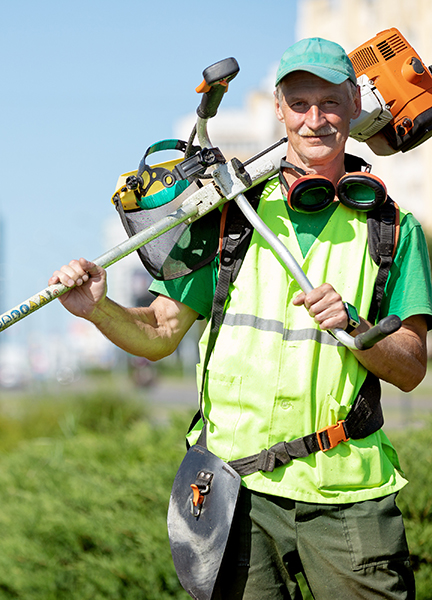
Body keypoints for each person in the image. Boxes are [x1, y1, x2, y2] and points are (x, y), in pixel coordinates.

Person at [49, 37, 432, 599]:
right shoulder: (230, 215)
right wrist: (97, 309)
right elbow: (159, 333)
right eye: (299, 104)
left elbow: (412, 367)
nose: (315, 119)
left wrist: (353, 327)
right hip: (233, 493)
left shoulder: (396, 231)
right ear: (278, 110)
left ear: (355, 103)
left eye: (330, 102)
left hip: (347, 498)